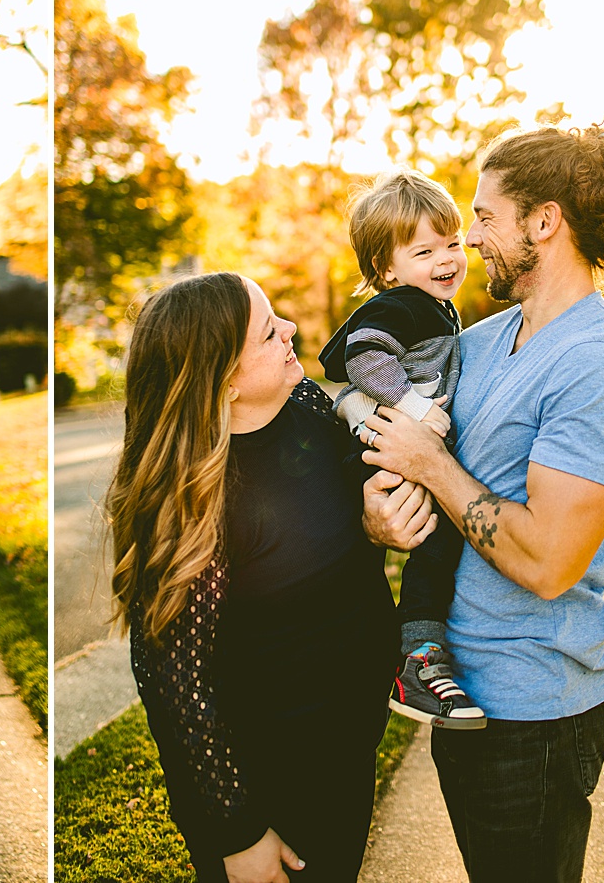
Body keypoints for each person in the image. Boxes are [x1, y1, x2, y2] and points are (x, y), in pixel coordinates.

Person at [361, 125, 604, 882]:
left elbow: (546, 562)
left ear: (544, 222)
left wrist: (433, 466)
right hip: (458, 690)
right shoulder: (479, 340)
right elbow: (410, 469)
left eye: (483, 217)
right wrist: (380, 517)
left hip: (536, 711)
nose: (469, 241)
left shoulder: (599, 367)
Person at [106, 271, 434, 883]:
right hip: (274, 782)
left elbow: (324, 532)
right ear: (225, 379)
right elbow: (178, 690)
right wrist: (239, 835)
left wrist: (374, 524)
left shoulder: (307, 406)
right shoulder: (192, 504)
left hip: (347, 751)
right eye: (266, 334)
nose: (289, 331)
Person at [318, 169, 484, 729]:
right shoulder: (403, 305)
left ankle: (415, 654)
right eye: (425, 250)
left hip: (391, 445)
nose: (447, 259)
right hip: (381, 447)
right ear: (387, 269)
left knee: (431, 548)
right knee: (435, 545)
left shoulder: (433, 306)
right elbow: (361, 357)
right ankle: (417, 657)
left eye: (453, 243)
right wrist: (413, 409)